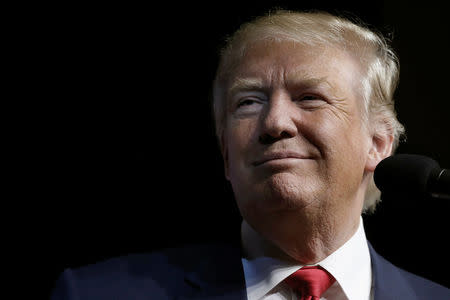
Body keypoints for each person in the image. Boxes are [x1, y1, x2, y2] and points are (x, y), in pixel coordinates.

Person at [50, 10, 449, 299]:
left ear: (378, 144)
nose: (274, 122)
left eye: (309, 97)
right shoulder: (95, 293)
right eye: (248, 102)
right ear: (226, 154)